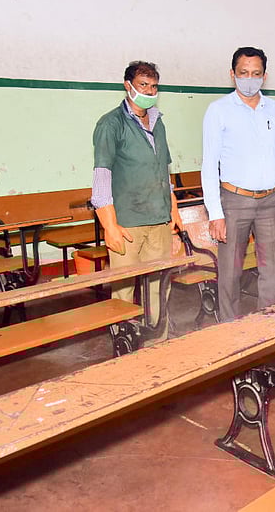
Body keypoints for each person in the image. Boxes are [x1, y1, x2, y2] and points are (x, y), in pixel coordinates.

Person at [201, 46, 275, 322]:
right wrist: (215, 213)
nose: (249, 79)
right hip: (235, 202)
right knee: (230, 273)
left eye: (256, 73)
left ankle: (269, 328)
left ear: (264, 76)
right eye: (243, 73)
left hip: (272, 201)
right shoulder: (218, 111)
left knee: (271, 271)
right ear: (232, 74)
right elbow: (209, 165)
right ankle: (229, 329)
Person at [91, 61, 184, 343]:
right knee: (123, 290)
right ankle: (124, 343)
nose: (149, 91)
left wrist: (173, 209)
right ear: (128, 85)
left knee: (159, 287)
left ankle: (157, 343)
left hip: (159, 220)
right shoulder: (111, 124)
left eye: (154, 86)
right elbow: (102, 176)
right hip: (127, 223)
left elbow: (163, 170)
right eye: (143, 85)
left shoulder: (158, 122)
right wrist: (109, 226)